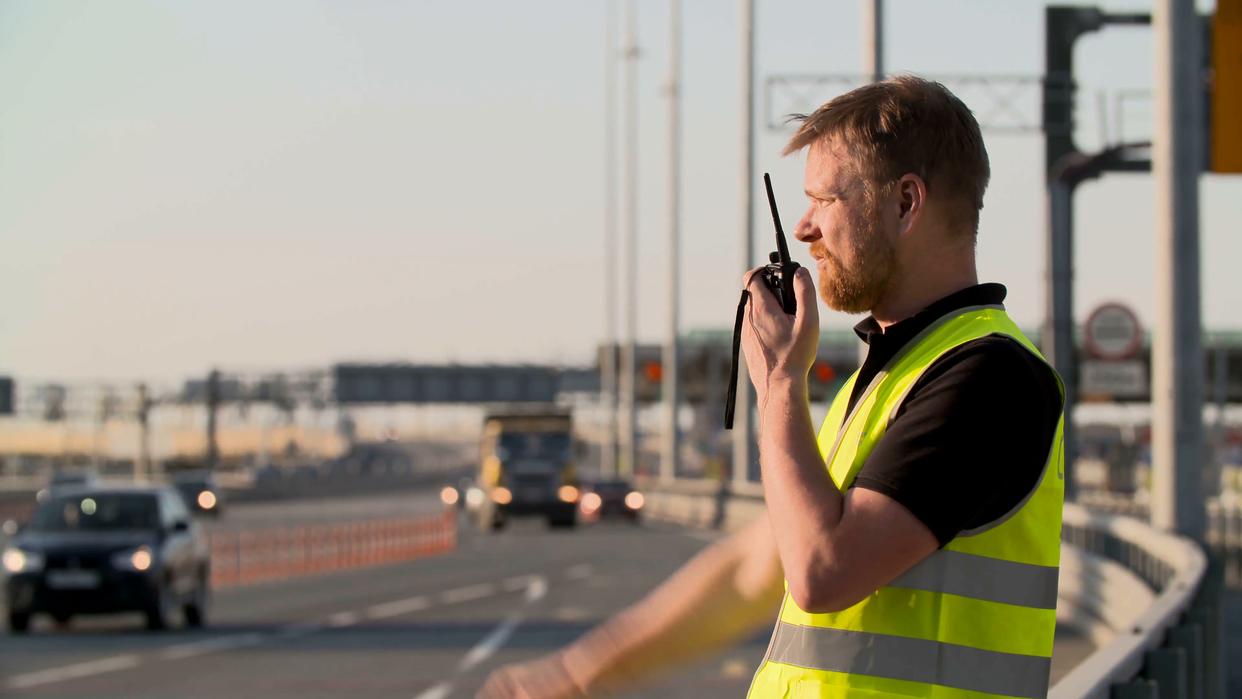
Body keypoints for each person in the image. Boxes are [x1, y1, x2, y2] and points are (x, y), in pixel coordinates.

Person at [479, 75, 1064, 699]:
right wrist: (576, 678)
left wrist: (781, 386)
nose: (805, 228)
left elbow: (822, 570)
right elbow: (750, 572)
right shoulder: (885, 380)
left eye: (823, 200)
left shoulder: (990, 378)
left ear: (905, 203)